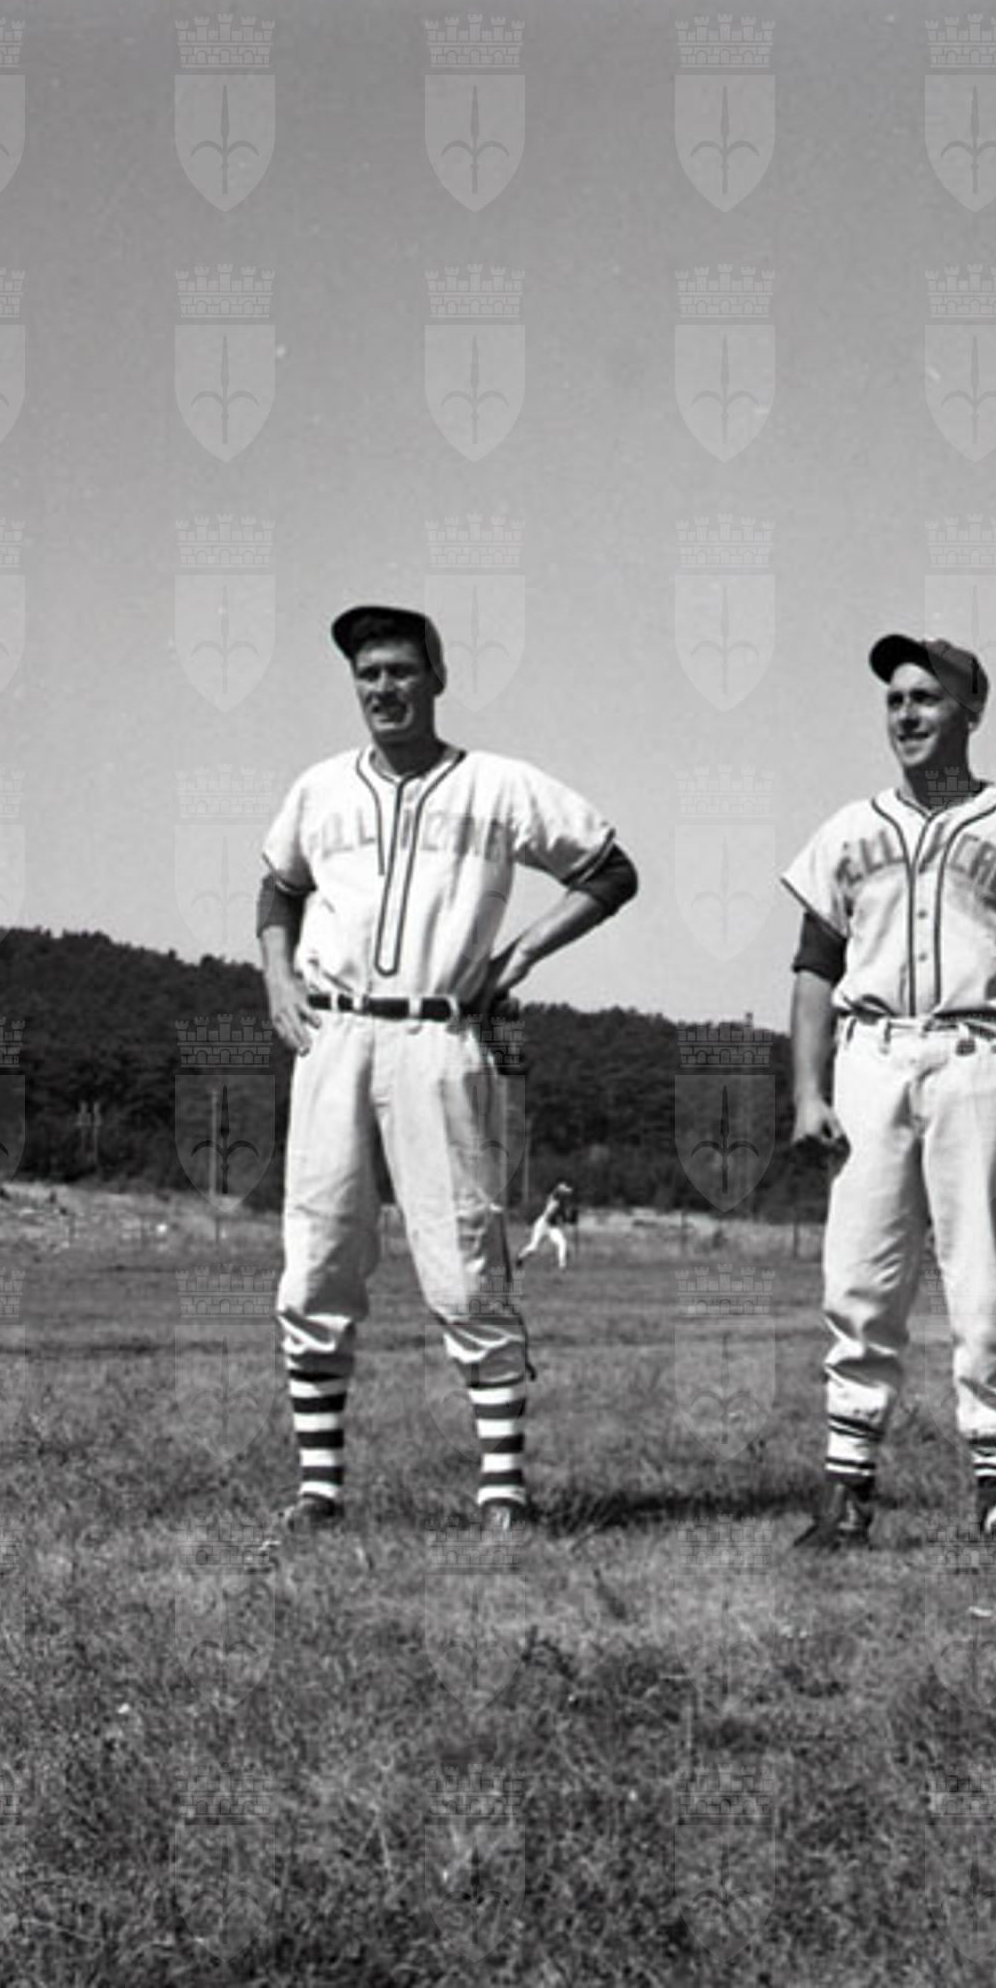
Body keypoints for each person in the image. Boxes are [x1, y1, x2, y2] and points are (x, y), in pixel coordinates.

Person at [258, 605, 637, 1534]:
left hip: (441, 1035)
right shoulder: (320, 787)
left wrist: (525, 953)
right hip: (333, 1034)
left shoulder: (498, 786)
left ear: (436, 677)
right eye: (367, 674)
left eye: (400, 669)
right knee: (316, 1261)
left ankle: (503, 1491)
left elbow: (609, 871)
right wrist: (276, 979)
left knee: (466, 1263)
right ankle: (319, 1492)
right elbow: (279, 887)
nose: (383, 688)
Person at [782, 633, 996, 1548]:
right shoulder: (849, 828)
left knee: (986, 1285)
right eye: (895, 699)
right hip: (871, 1056)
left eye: (926, 697)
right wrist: (807, 1092)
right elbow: (814, 968)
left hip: (979, 1055)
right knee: (859, 1280)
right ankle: (848, 1490)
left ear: (972, 711)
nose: (907, 713)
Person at [518, 1180, 577, 1270]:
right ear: (561, 1194)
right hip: (542, 1225)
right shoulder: (554, 1200)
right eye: (565, 1194)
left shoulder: (561, 1204)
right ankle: (520, 1257)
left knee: (562, 1243)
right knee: (534, 1247)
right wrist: (567, 1218)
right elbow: (557, 1192)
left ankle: (562, 1266)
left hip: (552, 1227)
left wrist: (571, 1219)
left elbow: (564, 1219)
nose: (567, 1196)